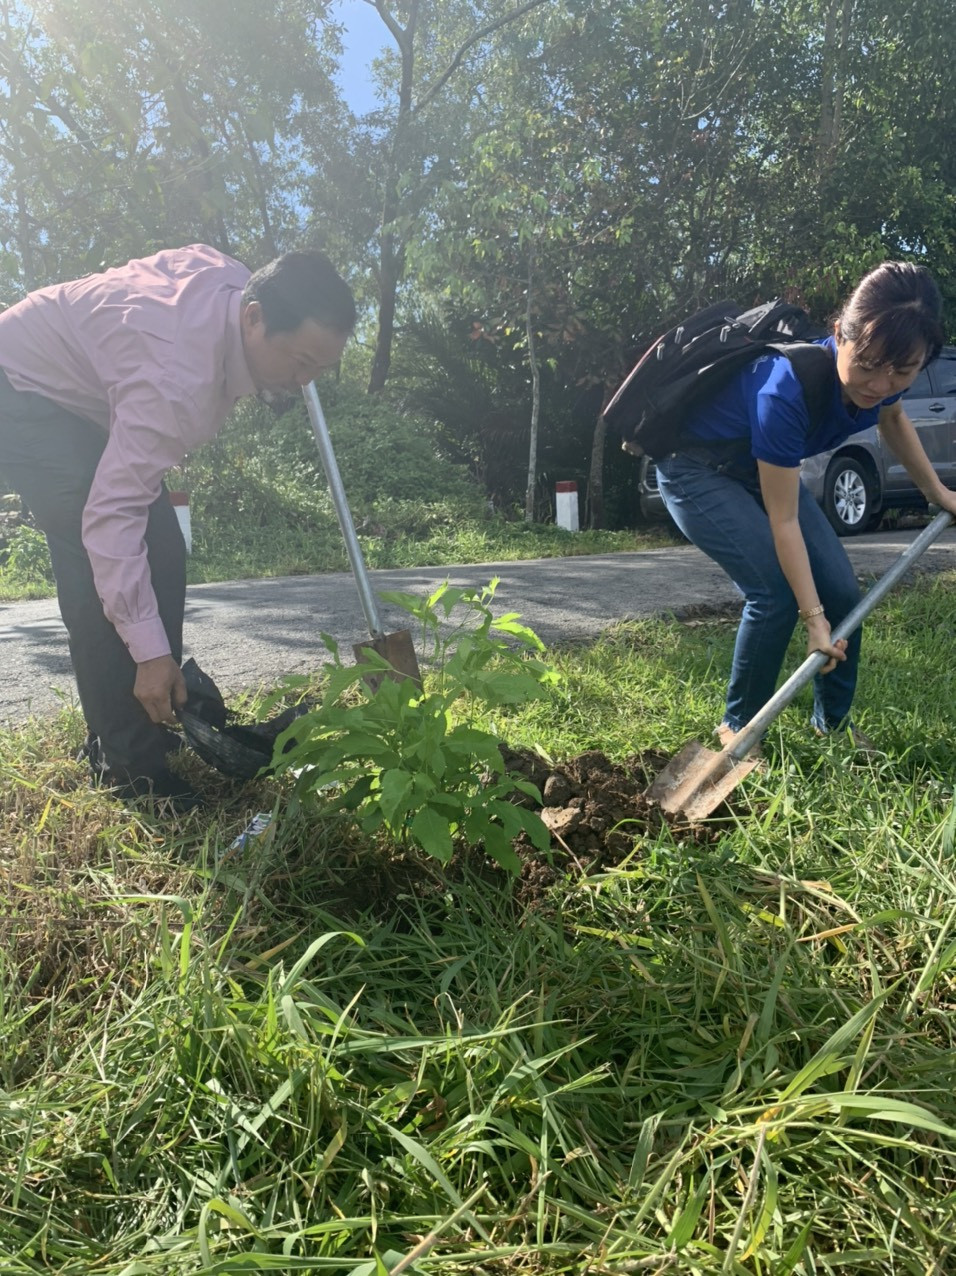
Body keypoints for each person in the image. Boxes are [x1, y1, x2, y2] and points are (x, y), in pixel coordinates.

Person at [0, 244, 356, 807]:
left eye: (320, 367)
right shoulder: (175, 383)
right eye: (299, 361)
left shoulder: (235, 285)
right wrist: (148, 652)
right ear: (254, 317)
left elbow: (185, 257)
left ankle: (156, 708)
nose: (304, 381)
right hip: (21, 389)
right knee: (96, 553)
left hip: (89, 390)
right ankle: (126, 764)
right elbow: (109, 521)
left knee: (162, 545)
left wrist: (155, 650)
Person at [655, 261, 955, 751]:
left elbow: (894, 417)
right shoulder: (785, 389)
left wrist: (937, 493)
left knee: (842, 592)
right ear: (840, 334)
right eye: (868, 363)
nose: (879, 385)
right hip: (696, 471)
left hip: (756, 470)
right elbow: (785, 519)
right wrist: (813, 622)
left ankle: (831, 726)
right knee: (773, 593)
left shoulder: (883, 388)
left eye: (903, 371)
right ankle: (737, 732)